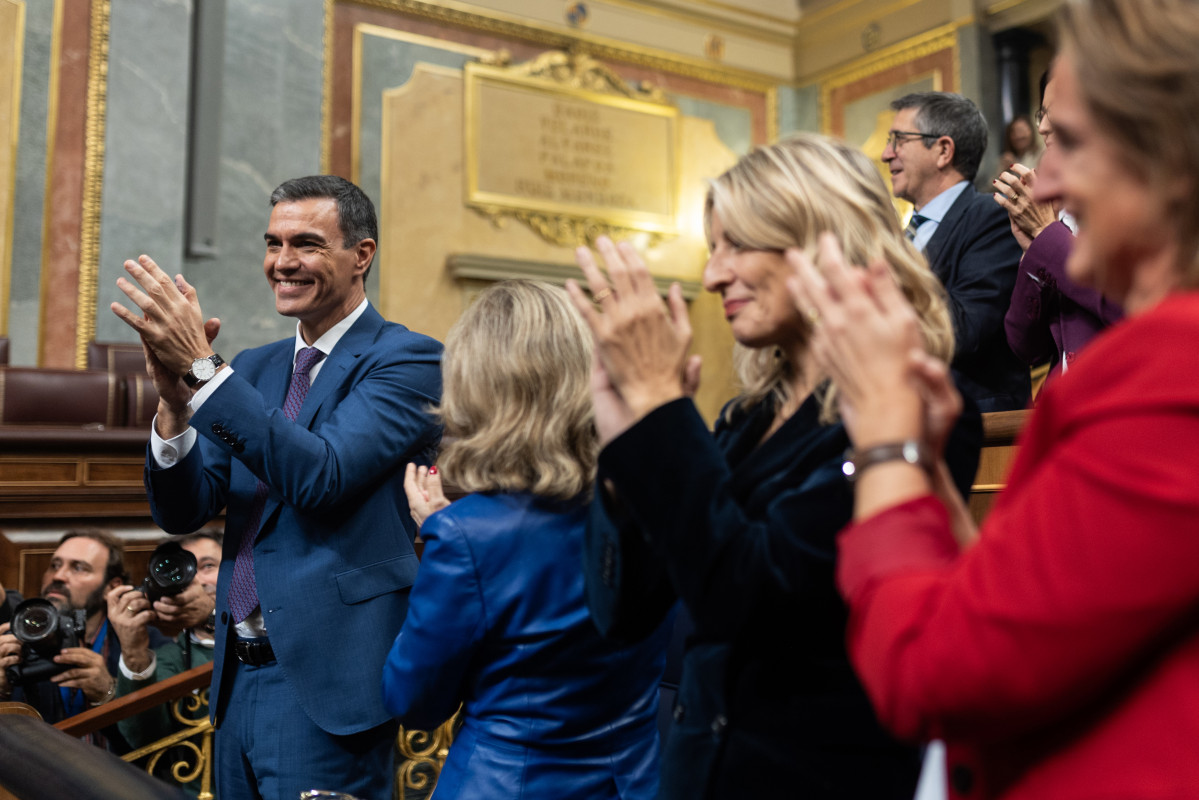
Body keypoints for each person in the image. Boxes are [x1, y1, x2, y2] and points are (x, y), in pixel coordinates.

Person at [792, 1, 1199, 797]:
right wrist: (935, 478)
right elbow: (1035, 608)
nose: (1043, 180)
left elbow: (933, 675)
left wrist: (883, 443)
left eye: (1069, 143)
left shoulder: (1168, 367)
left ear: (1169, 155)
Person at [565, 134, 981, 800]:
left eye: (735, 245)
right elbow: (624, 613)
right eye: (711, 249)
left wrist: (661, 411)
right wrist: (623, 454)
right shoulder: (743, 420)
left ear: (820, 241)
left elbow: (750, 597)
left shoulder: (916, 409)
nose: (711, 276)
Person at [110, 175, 443, 800]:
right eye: (273, 243)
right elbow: (184, 509)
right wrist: (175, 406)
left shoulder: (409, 360)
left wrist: (205, 371)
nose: (282, 263)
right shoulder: (254, 368)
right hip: (235, 680)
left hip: (327, 686)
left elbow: (320, 476)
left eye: (307, 244)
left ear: (362, 255)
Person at [382, 279, 671, 799]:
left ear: (478, 389)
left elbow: (414, 702)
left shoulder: (465, 536)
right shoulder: (656, 505)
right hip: (633, 781)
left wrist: (438, 541)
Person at [884, 91, 1029, 411]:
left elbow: (963, 331)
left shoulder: (992, 217)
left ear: (943, 150)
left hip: (975, 433)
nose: (885, 154)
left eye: (898, 140)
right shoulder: (901, 236)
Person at [996, 66, 1123, 385]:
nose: (1042, 126)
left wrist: (1047, 237)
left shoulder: (1141, 201)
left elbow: (1130, 307)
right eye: (1041, 113)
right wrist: (1033, 252)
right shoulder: (1061, 209)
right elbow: (1026, 346)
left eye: (1057, 112)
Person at [0, 531, 167, 750]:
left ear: (112, 587)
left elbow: (159, 741)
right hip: (33, 774)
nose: (58, 576)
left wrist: (108, 693)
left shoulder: (145, 645)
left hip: (113, 778)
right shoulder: (17, 635)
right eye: (54, 565)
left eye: (79, 568)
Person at [108, 532, 222, 796]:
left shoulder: (270, 630)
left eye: (207, 566)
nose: (197, 580)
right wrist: (134, 652)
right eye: (180, 571)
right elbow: (146, 739)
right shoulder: (168, 657)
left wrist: (215, 616)